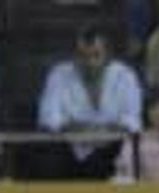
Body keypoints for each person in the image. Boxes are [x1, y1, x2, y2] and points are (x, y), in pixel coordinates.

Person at [35, 25, 143, 181]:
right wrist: (83, 129)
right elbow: (48, 118)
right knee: (49, 154)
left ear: (107, 56)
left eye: (96, 55)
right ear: (73, 56)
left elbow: (132, 120)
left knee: (129, 149)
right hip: (70, 149)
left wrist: (103, 130)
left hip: (113, 148)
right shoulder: (59, 74)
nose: (89, 62)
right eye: (82, 56)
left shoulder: (125, 76)